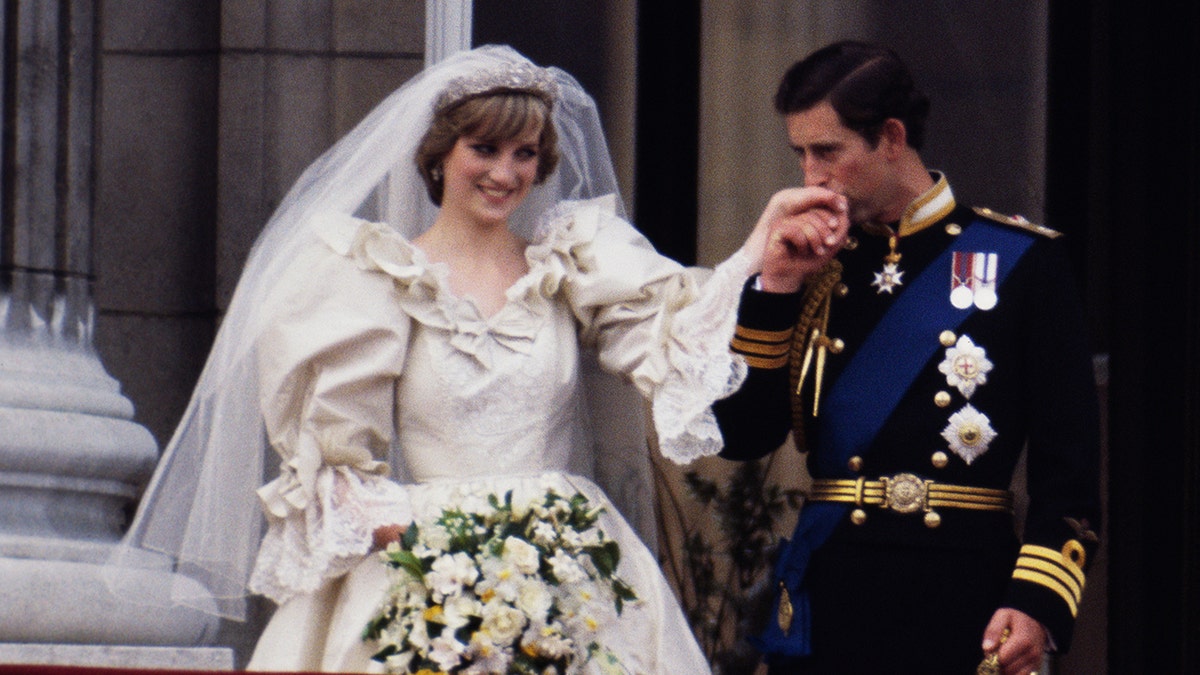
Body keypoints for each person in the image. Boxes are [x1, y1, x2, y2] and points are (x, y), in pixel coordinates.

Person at [104, 45, 841, 673]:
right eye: (483, 149)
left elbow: (676, 334)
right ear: (440, 155)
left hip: (572, 566)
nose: (505, 173)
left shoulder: (571, 264)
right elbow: (336, 467)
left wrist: (756, 257)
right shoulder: (374, 278)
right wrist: (455, 567)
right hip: (426, 568)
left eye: (525, 154)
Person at [712, 40, 1102, 675]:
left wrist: (1036, 600)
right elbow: (742, 436)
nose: (810, 177)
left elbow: (1071, 467)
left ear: (891, 137)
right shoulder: (808, 265)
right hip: (833, 593)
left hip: (962, 595)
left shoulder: (1023, 261)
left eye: (828, 151)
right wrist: (774, 289)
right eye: (801, 154)